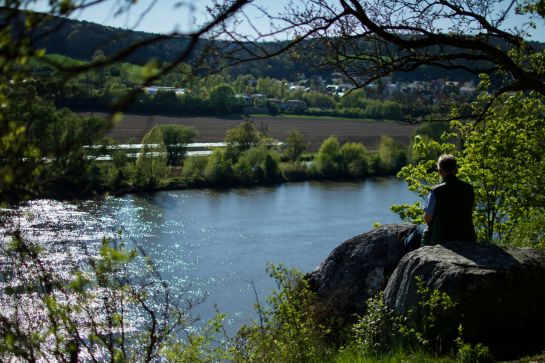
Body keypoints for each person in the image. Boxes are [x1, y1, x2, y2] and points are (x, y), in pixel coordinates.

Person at [423, 154, 476, 244]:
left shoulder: (436, 190)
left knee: (415, 233)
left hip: (442, 238)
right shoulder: (469, 188)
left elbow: (427, 219)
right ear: (456, 170)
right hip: (467, 236)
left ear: (439, 172)